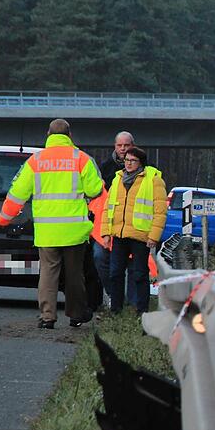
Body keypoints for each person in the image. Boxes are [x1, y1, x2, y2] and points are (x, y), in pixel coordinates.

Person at [0, 118, 103, 329]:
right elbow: (94, 191)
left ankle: (47, 317)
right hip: (74, 229)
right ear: (69, 136)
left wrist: (4, 218)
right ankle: (76, 315)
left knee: (48, 273)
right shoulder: (81, 159)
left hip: (47, 230)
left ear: (48, 135)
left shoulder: (35, 161)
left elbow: (17, 193)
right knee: (74, 274)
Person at [102, 145, 166, 314]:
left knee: (139, 274)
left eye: (132, 161)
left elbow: (160, 211)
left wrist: (153, 236)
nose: (128, 164)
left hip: (140, 236)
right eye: (126, 160)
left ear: (141, 163)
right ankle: (116, 310)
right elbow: (108, 207)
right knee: (115, 273)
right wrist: (106, 232)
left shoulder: (153, 180)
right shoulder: (118, 179)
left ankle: (141, 310)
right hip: (120, 234)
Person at [91, 131, 135, 306]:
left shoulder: (146, 169)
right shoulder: (105, 168)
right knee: (99, 257)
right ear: (115, 146)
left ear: (133, 146)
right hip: (107, 226)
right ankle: (114, 296)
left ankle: (133, 306)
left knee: (134, 267)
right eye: (120, 145)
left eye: (126, 145)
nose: (123, 149)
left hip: (133, 227)